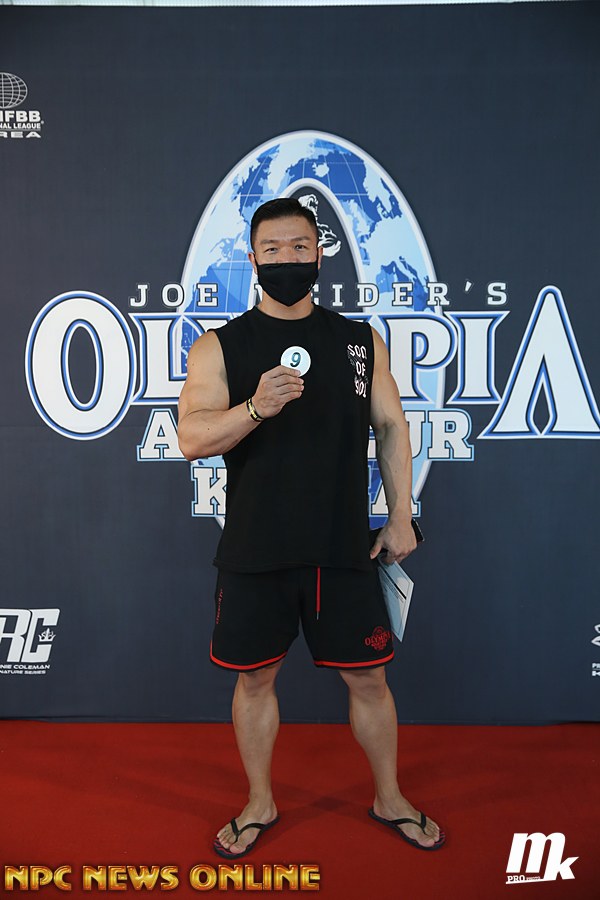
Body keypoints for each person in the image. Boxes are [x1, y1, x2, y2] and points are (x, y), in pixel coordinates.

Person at [177, 197, 445, 857]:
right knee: (254, 679)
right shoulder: (220, 346)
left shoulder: (359, 341)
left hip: (342, 546)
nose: (287, 259)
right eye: (273, 250)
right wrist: (255, 407)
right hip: (255, 550)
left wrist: (402, 516)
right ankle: (259, 802)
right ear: (253, 258)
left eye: (300, 247)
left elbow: (392, 426)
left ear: (319, 254)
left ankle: (390, 797)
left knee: (370, 679)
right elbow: (191, 438)